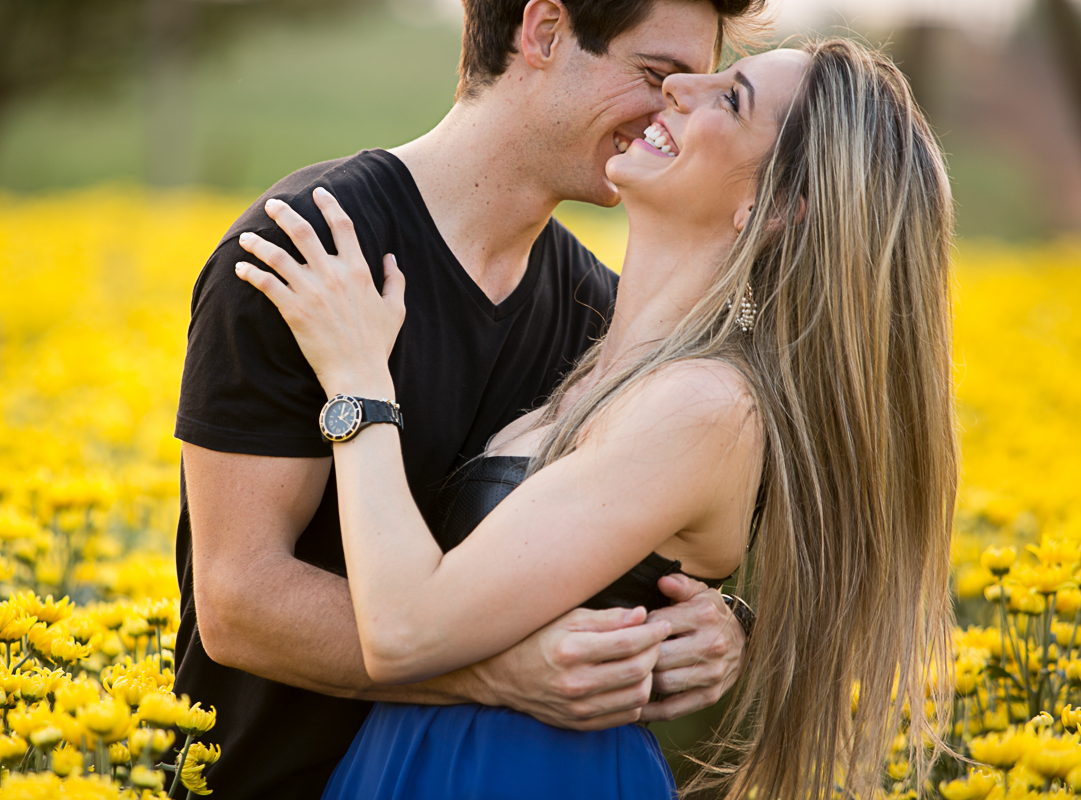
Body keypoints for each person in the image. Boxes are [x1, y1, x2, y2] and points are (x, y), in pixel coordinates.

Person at [235, 36, 958, 800]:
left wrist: (356, 380)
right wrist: (725, 617)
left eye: (731, 97)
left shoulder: (707, 406)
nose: (681, 90)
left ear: (775, 207)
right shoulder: (603, 357)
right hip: (426, 761)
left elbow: (403, 629)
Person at [171, 1, 764, 798]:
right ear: (545, 32)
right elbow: (241, 600)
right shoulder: (311, 251)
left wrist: (718, 625)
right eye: (656, 77)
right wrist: (494, 675)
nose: (671, 115)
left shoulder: (599, 323)